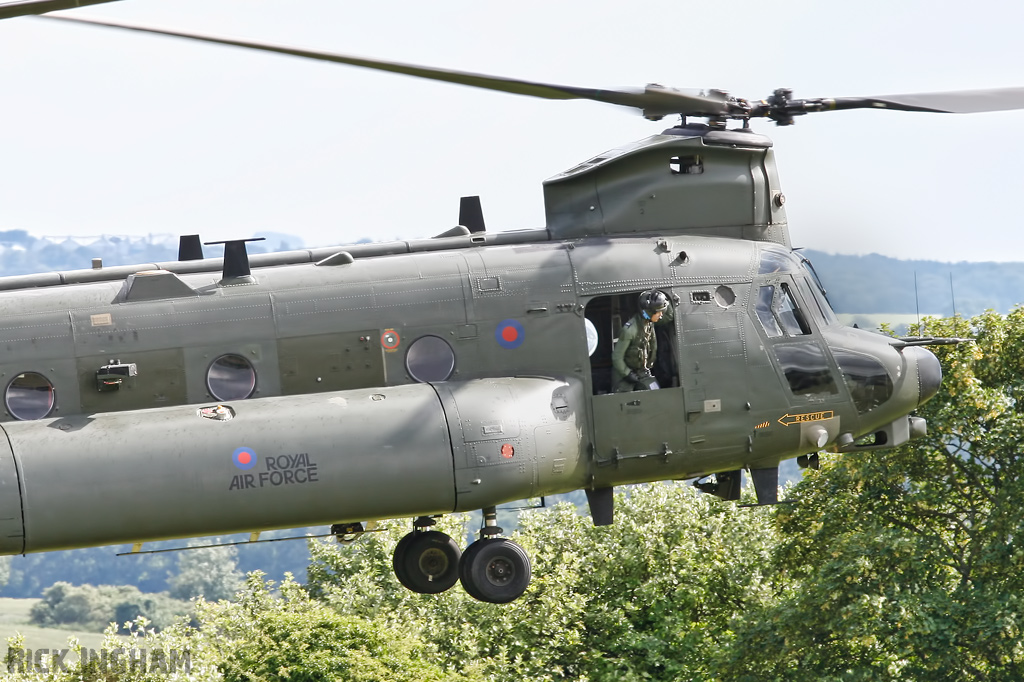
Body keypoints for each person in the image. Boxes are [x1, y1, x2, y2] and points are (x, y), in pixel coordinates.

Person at [611, 290, 671, 392]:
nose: (661, 315)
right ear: (649, 312)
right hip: (624, 374)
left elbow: (669, 317)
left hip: (642, 372)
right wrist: (627, 374)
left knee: (656, 392)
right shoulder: (629, 330)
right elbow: (617, 357)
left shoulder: (649, 322)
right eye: (659, 312)